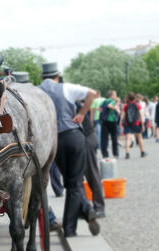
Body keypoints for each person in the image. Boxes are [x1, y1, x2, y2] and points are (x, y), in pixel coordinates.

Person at [39, 62, 100, 237]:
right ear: (57, 76)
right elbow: (92, 94)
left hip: (54, 141)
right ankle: (70, 228)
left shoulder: (38, 91)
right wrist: (81, 113)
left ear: (42, 78)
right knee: (75, 184)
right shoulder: (66, 88)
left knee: (70, 182)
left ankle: (87, 210)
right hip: (73, 136)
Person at [77, 101, 106, 218]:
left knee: (92, 174)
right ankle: (84, 208)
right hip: (81, 140)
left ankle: (99, 208)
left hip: (86, 139)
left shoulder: (73, 104)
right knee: (77, 177)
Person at [122, 92, 147, 159]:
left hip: (128, 124)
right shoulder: (138, 105)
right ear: (134, 98)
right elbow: (141, 115)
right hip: (136, 123)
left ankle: (127, 154)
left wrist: (124, 122)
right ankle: (142, 152)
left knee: (128, 139)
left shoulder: (125, 106)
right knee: (139, 138)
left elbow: (124, 116)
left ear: (128, 98)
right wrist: (142, 125)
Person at [100, 90, 120, 159]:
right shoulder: (113, 101)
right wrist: (116, 108)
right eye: (115, 95)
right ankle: (115, 153)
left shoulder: (104, 101)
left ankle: (105, 154)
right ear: (112, 95)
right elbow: (109, 106)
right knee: (114, 137)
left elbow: (100, 108)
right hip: (112, 121)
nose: (116, 96)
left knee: (104, 138)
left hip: (104, 121)